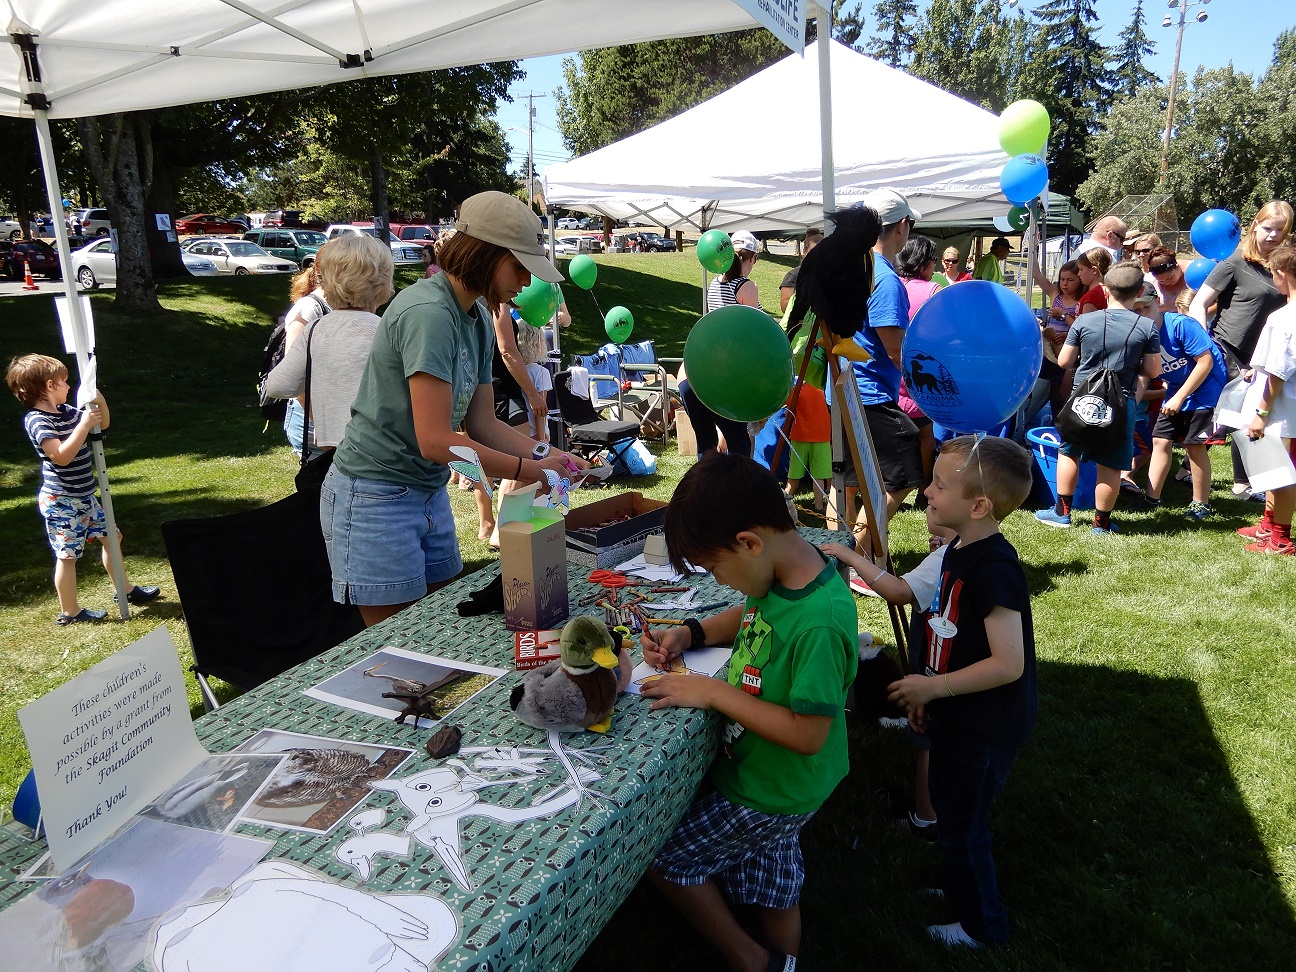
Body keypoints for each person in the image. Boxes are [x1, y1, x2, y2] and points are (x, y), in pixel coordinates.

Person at [320, 191, 584, 627]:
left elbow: (481, 422)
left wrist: (546, 455)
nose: (526, 281)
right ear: (485, 254)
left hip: (425, 491)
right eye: (519, 267)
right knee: (396, 646)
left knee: (441, 629)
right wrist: (533, 470)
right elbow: (437, 441)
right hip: (375, 496)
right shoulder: (429, 313)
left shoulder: (477, 317)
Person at [638, 452, 857, 972]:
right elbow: (755, 611)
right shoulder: (790, 570)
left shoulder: (820, 624)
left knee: (666, 857)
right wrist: (692, 632)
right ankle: (784, 963)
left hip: (771, 786)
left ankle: (750, 959)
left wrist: (716, 694)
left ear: (750, 543)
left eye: (717, 569)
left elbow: (808, 734)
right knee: (774, 877)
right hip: (786, 783)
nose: (722, 582)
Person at [882, 434, 1037, 948]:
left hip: (984, 724)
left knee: (966, 823)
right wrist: (932, 695)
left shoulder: (994, 568)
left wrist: (934, 687)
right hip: (956, 712)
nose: (927, 491)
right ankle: (959, 888)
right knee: (950, 810)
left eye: (939, 485)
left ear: (979, 505)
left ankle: (981, 926)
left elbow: (1008, 663)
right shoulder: (956, 548)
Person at [7, 354, 160, 625]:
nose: (69, 387)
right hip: (62, 500)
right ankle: (70, 612)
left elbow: (102, 424)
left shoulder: (66, 412)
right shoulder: (38, 420)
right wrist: (84, 424)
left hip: (85, 495)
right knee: (67, 556)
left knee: (113, 538)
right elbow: (61, 456)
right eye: (65, 382)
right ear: (50, 385)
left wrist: (97, 399)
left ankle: (124, 590)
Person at [1035, 262, 1161, 534]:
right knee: (1111, 464)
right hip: (1122, 402)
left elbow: (1066, 361)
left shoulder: (1084, 320)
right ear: (1139, 291)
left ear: (1106, 291)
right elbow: (1152, 370)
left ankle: (1062, 513)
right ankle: (1101, 524)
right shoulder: (1146, 327)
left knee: (1070, 452)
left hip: (1082, 397)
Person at [1190, 200, 1293, 499]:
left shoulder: (1284, 266)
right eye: (1268, 228)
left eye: (1280, 230)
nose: (1273, 236)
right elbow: (1198, 303)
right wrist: (1206, 344)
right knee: (1239, 416)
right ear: (1255, 227)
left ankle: (1241, 481)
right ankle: (1242, 483)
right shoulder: (1235, 262)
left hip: (1263, 352)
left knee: (1246, 415)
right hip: (1227, 348)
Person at [262, 234, 394, 453]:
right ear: (383, 281)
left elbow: (277, 385)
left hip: (334, 452)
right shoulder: (388, 332)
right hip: (380, 454)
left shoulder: (315, 330)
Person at [847, 188, 924, 533]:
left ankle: (860, 554)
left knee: (856, 480)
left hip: (846, 389)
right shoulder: (884, 278)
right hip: (869, 394)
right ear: (902, 226)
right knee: (906, 472)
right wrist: (926, 388)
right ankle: (855, 555)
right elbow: (895, 350)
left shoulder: (856, 265)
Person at [1138, 282, 1227, 519]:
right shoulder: (1141, 335)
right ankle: (1151, 499)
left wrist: (1179, 396)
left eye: (1144, 309)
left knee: (1193, 446)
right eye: (1134, 311)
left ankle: (1201, 504)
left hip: (1206, 391)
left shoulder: (1181, 325)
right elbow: (1143, 375)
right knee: (1160, 441)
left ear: (1157, 302)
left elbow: (1205, 363)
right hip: (1177, 391)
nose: (1141, 315)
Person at [679, 230, 762, 458]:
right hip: (729, 374)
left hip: (700, 371)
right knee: (739, 445)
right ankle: (740, 490)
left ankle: (706, 488)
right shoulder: (747, 287)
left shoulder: (714, 284)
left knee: (706, 446)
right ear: (752, 258)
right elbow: (751, 335)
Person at [1238, 245, 1296, 555]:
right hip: (1287, 408)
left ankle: (1281, 539)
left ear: (1282, 274)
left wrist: (1261, 412)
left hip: (1287, 410)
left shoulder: (1285, 318)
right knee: (1276, 468)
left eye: (1273, 273)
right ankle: (1270, 525)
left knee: (1284, 472)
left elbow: (1278, 372)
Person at [896, 235, 941, 497]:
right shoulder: (932, 291)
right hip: (919, 368)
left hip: (890, 370)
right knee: (925, 433)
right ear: (924, 262)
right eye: (933, 260)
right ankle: (924, 486)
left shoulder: (890, 284)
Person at [280, 262, 332, 458]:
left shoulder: (339, 304)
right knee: (318, 484)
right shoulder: (309, 308)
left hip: (330, 417)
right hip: (312, 419)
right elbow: (296, 377)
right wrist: (321, 424)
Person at [1029, 256, 1085, 417]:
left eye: (1070, 280)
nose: (1064, 284)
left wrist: (1063, 316)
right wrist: (1033, 246)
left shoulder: (1082, 301)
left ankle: (1058, 421)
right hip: (1048, 351)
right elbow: (1037, 275)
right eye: (1062, 279)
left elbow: (1081, 327)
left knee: (1059, 390)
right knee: (1043, 386)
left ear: (1080, 280)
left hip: (1065, 353)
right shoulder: (1055, 294)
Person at [779, 227, 822, 313]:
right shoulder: (793, 276)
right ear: (804, 251)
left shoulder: (831, 274)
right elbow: (784, 307)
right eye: (813, 252)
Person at [1147, 245, 1189, 312]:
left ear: (1177, 267)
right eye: (1161, 281)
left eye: (1169, 278)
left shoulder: (1193, 273)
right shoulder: (1149, 281)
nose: (1166, 283)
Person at [1075, 247, 1112, 315]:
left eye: (1081, 269)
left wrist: (1065, 316)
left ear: (1094, 270)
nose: (1078, 274)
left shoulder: (1093, 294)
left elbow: (1086, 323)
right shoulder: (1108, 290)